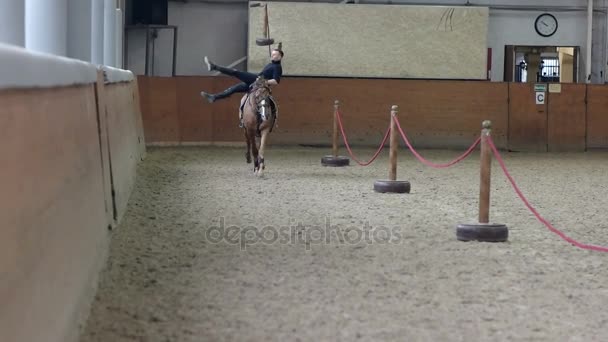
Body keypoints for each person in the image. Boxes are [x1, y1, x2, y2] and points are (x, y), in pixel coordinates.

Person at [200, 48, 283, 104]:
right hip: (256, 83)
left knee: (236, 72)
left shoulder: (277, 67)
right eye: (272, 54)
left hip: (258, 81)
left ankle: (214, 67)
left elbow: (276, 81)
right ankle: (214, 97)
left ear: (280, 57)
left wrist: (264, 81)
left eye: (274, 54)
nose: (272, 55)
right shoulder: (271, 64)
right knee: (234, 89)